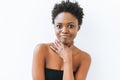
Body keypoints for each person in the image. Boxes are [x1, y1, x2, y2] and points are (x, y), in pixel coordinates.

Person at [32, 0, 91, 80]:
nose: (64, 31)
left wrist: (67, 59)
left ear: (78, 28)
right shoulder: (42, 50)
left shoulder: (84, 58)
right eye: (59, 26)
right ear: (54, 27)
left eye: (70, 26)